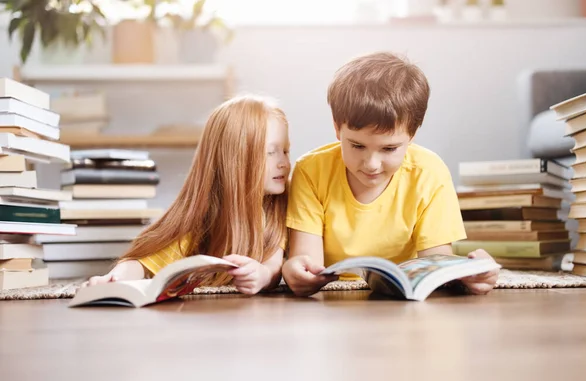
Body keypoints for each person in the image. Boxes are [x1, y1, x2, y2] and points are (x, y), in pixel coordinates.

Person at [282, 52, 500, 297]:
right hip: (334, 300)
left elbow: (435, 261)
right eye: (357, 146)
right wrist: (297, 271)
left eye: (389, 149)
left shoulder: (429, 172)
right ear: (336, 128)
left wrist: (470, 274)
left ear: (412, 135)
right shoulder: (310, 171)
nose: (372, 164)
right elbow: (306, 260)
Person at [85, 94, 291, 295]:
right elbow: (145, 262)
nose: (283, 162)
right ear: (234, 159)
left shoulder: (284, 203)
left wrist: (262, 275)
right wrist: (116, 278)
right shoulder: (203, 216)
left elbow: (274, 263)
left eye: (286, 151)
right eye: (271, 152)